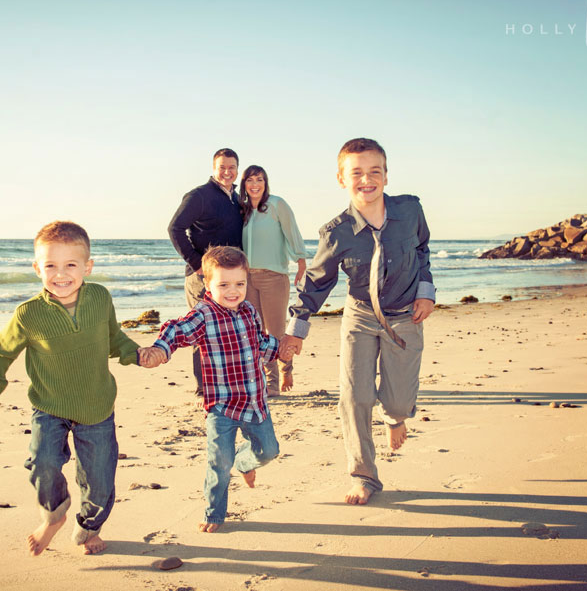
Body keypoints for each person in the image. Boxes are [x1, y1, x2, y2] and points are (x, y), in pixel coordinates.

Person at [0, 221, 165, 556]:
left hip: (96, 406)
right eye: (50, 265)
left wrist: (136, 354)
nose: (60, 274)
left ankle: (89, 527)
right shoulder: (28, 314)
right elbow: (1, 351)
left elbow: (113, 339)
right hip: (49, 405)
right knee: (43, 463)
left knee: (100, 480)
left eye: (70, 265)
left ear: (87, 267)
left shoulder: (100, 298)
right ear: (37, 268)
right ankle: (54, 514)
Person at [281, 138, 435, 506]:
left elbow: (422, 248)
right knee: (354, 396)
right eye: (356, 173)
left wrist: (426, 290)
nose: (366, 180)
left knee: (398, 402)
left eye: (374, 171)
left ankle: (395, 418)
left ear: (386, 174)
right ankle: (363, 474)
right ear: (341, 179)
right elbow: (315, 281)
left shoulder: (411, 211)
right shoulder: (336, 233)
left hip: (405, 317)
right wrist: (296, 330)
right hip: (360, 317)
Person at [146, 246, 281, 532]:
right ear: (207, 284)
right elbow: (176, 330)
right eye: (223, 285)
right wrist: (161, 349)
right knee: (219, 463)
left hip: (254, 401)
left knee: (269, 451)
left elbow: (259, 344)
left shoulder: (250, 312)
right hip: (221, 406)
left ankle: (245, 463)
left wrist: (281, 350)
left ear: (247, 282)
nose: (233, 291)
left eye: (239, 284)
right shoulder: (203, 315)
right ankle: (214, 513)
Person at [167, 149, 244, 394]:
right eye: (222, 167)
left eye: (231, 167)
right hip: (202, 278)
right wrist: (197, 262)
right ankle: (204, 387)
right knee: (203, 330)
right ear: (214, 168)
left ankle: (227, 383)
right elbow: (175, 228)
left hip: (229, 279)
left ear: (237, 170)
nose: (227, 171)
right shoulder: (199, 195)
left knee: (228, 330)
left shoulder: (236, 199)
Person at [239, 165, 307, 396]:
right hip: (247, 278)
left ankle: (286, 368)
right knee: (257, 333)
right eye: (250, 180)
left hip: (273, 277)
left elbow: (292, 232)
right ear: (244, 184)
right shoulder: (242, 210)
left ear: (265, 183)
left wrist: (300, 260)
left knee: (276, 333)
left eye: (260, 179)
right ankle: (270, 383)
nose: (255, 184)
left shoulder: (277, 205)